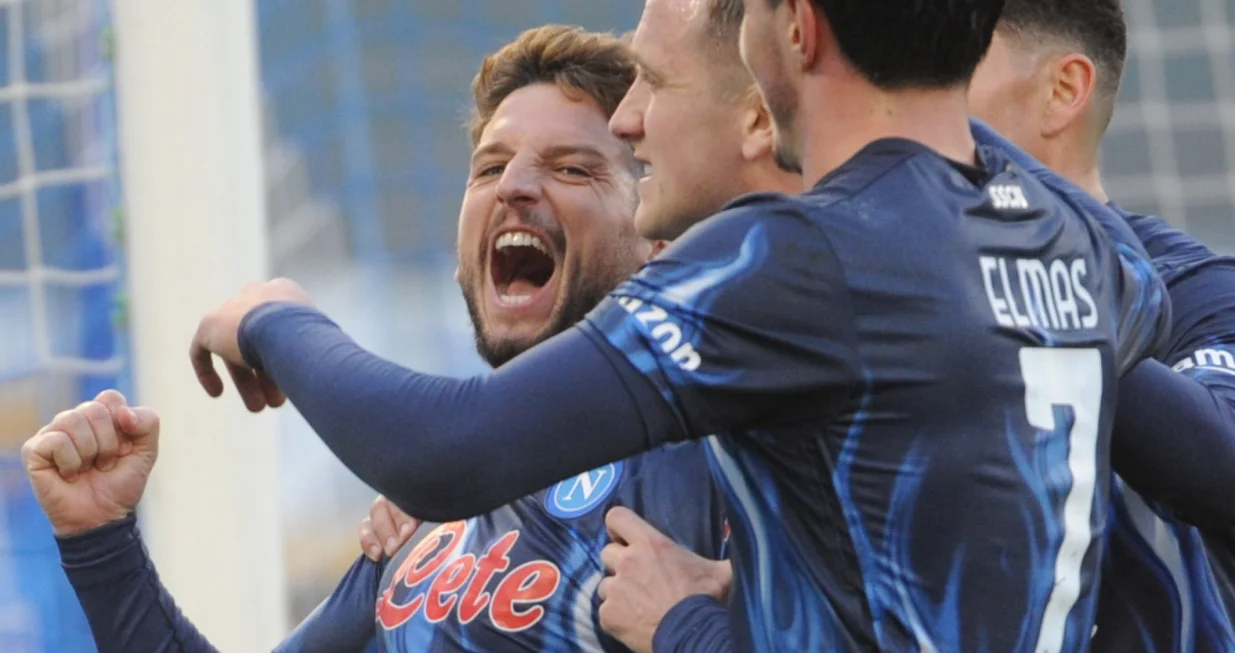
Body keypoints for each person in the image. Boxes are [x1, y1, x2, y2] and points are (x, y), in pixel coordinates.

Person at [188, 0, 1177, 651]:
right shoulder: (1070, 242)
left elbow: (448, 448)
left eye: (649, 88)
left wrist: (276, 317)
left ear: (793, 30)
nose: (628, 122)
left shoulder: (787, 263)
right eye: (490, 166)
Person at [20, 26, 731, 653]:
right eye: (488, 167)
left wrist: (687, 629)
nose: (512, 185)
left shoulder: (724, 441)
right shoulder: (426, 526)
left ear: (657, 239)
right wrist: (100, 539)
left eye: (571, 167)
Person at [593, 2, 1235, 651]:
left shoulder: (1197, 293)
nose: (890, 88)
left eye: (947, 66)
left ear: (1061, 91)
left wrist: (686, 629)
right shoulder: (826, 295)